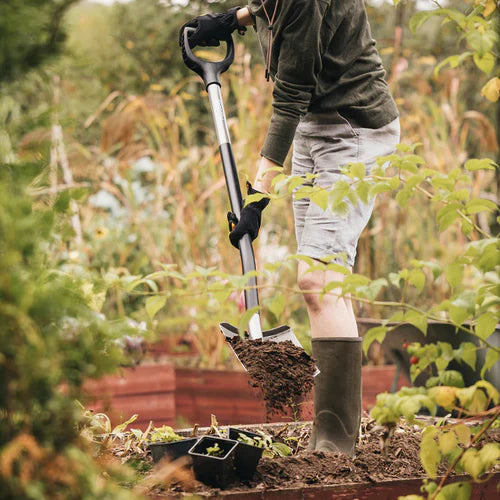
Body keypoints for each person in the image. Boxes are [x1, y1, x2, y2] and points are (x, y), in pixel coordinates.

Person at [179, 1, 399, 456]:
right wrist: (233, 19)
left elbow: (290, 98)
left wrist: (257, 198)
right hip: (314, 129)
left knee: (317, 278)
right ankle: (333, 432)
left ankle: (337, 443)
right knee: (327, 277)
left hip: (354, 131)